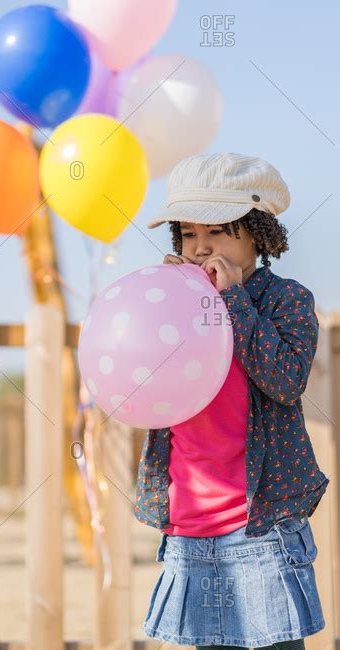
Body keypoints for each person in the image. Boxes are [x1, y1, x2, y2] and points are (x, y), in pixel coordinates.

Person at [135, 151, 330, 649]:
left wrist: (234, 300)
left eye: (217, 231)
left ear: (258, 234)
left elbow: (285, 380)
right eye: (188, 233)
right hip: (191, 522)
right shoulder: (176, 304)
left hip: (259, 524)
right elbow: (149, 386)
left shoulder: (286, 299)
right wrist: (165, 304)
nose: (200, 248)